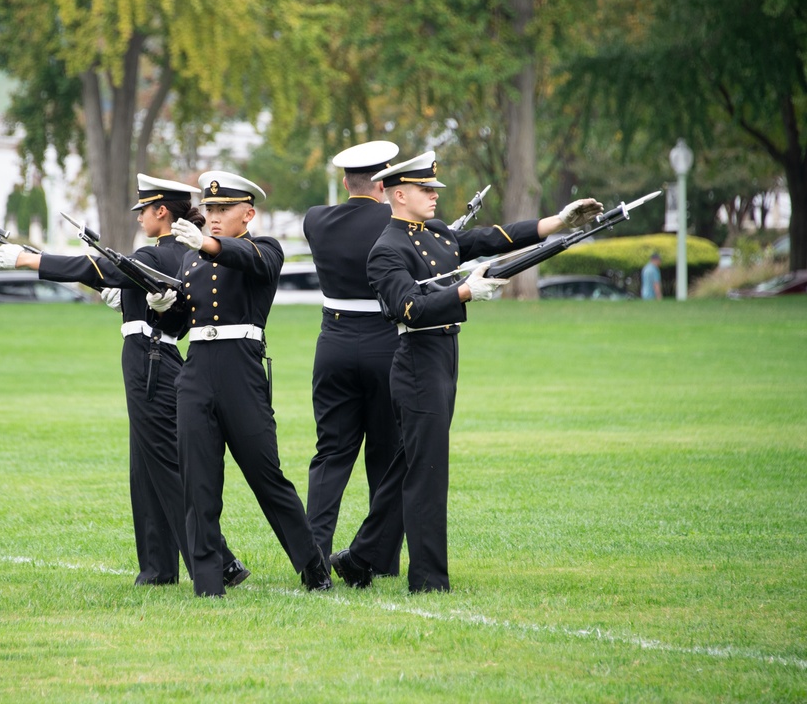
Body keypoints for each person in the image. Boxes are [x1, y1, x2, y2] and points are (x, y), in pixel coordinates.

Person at [329, 151, 603, 593]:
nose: (434, 196)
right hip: (417, 358)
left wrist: (558, 222)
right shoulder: (386, 249)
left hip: (444, 355)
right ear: (399, 195)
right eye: (425, 189)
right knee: (428, 472)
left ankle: (362, 557)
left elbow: (492, 238)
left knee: (409, 465)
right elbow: (408, 308)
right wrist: (465, 291)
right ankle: (429, 580)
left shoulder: (435, 233)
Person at [0, 174, 250, 591]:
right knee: (144, 467)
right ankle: (157, 568)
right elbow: (131, 288)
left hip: (149, 361)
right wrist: (129, 304)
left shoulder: (165, 253)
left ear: (161, 211)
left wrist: (29, 259)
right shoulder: (178, 255)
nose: (140, 217)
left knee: (164, 466)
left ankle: (221, 563)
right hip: (153, 354)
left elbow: (95, 268)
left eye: (144, 210)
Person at [156, 170, 331, 597]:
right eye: (209, 209)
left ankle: (313, 566)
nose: (213, 217)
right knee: (198, 482)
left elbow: (249, 260)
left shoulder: (264, 248)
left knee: (266, 475)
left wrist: (209, 245)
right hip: (197, 371)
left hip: (242, 371)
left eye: (223, 209)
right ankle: (208, 582)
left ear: (247, 214)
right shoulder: (190, 258)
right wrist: (163, 306)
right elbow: (181, 325)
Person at [302, 140, 404, 575]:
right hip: (385, 343)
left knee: (331, 454)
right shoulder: (397, 222)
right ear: (385, 183)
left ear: (345, 181)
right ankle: (379, 557)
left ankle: (313, 556)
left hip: (335, 344)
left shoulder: (316, 219)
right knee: (386, 453)